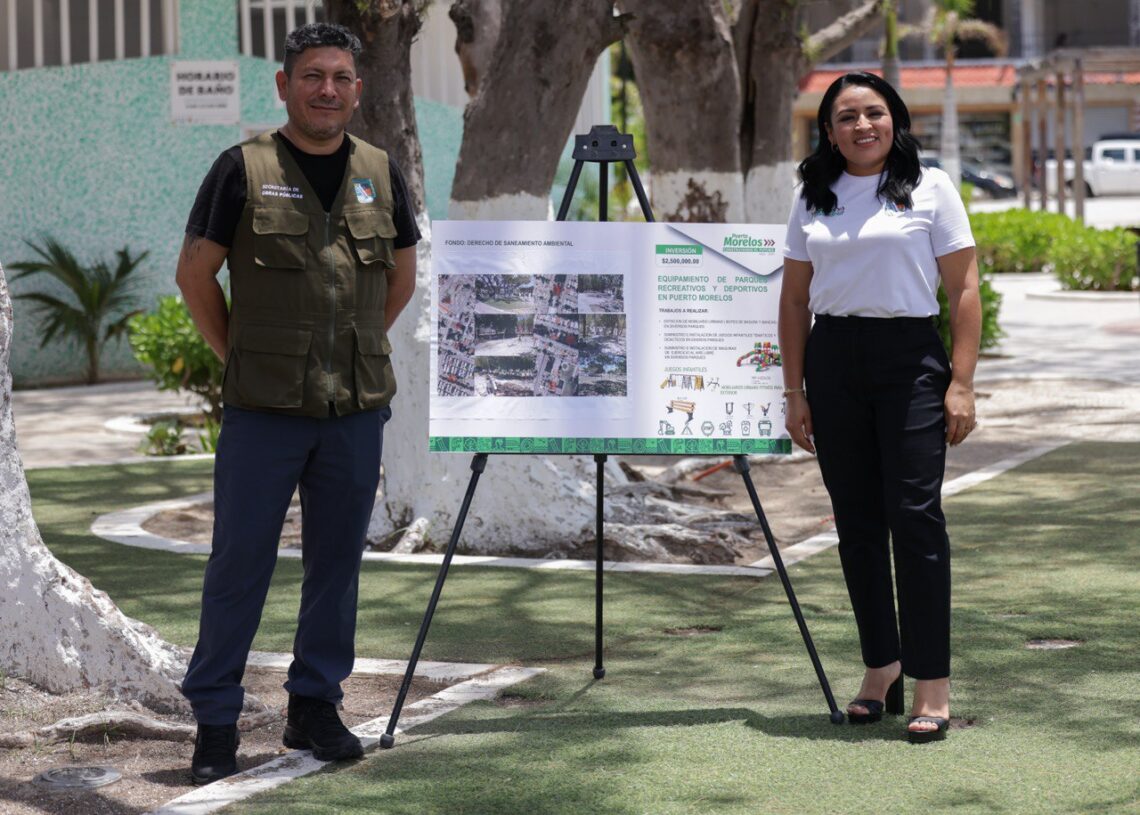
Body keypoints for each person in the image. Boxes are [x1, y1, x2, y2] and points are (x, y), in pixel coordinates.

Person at [175, 22, 420, 783]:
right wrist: (243, 359)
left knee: (337, 566)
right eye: (312, 76)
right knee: (239, 563)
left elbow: (402, 277)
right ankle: (216, 720)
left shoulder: (381, 170)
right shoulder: (241, 168)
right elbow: (194, 275)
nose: (327, 90)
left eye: (341, 77)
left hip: (354, 412)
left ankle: (314, 704)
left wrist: (350, 350)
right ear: (284, 85)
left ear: (358, 89)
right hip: (264, 413)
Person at [779, 72, 980, 743]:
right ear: (829, 131)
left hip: (910, 361)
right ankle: (881, 668)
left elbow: (964, 289)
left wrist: (961, 382)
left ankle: (932, 683)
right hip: (834, 359)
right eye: (847, 117)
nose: (862, 126)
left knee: (915, 517)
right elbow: (794, 299)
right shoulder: (813, 193)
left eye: (874, 113)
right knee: (858, 523)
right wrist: (794, 390)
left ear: (895, 119)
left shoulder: (932, 187)